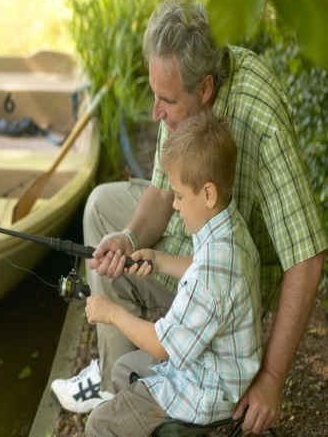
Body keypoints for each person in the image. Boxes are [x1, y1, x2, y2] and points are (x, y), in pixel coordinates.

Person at [50, 0, 327, 435]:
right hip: (197, 236)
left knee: (113, 412)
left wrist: (271, 379)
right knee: (102, 209)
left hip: (224, 286)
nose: (155, 112)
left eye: (167, 101)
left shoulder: (262, 120)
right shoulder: (180, 96)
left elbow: (308, 257)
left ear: (206, 89)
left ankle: (133, 404)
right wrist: (129, 239)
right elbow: (163, 194)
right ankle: (116, 381)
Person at [84, 108, 262, 435]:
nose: (175, 205)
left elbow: (163, 345)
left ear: (208, 193)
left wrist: (112, 313)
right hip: (216, 371)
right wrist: (159, 260)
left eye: (179, 196)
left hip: (204, 395)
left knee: (99, 424)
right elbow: (201, 266)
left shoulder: (210, 274)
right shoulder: (229, 229)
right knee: (125, 369)